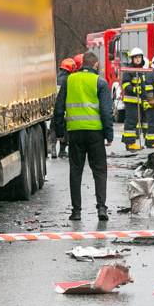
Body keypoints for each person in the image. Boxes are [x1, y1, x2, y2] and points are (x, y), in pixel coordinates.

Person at [53, 51, 114, 221]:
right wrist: (109, 135)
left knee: (76, 171)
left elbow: (58, 109)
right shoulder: (100, 82)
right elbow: (106, 111)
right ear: (95, 65)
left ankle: (76, 211)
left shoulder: (69, 80)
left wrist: (59, 133)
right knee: (99, 171)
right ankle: (101, 208)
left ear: (81, 65)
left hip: (75, 133)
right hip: (95, 133)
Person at [50, 57, 77, 159]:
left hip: (53, 108)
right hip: (63, 108)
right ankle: (62, 150)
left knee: (54, 127)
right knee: (64, 128)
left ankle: (52, 147)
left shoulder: (55, 78)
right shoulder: (68, 80)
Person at [121, 47, 145, 152]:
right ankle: (129, 143)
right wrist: (134, 89)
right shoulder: (129, 70)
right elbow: (125, 84)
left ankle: (133, 141)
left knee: (136, 122)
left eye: (139, 57)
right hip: (131, 100)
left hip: (139, 101)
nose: (138, 59)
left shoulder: (142, 70)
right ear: (132, 59)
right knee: (131, 121)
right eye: (135, 58)